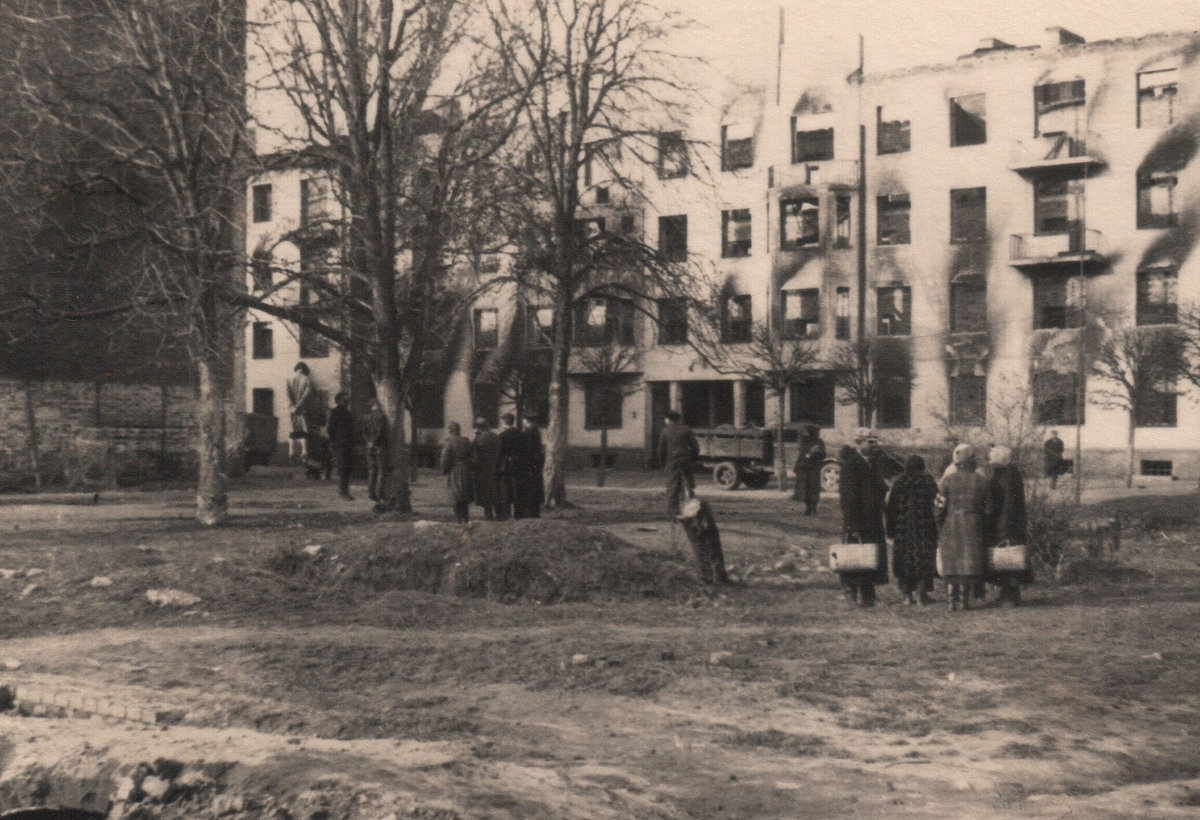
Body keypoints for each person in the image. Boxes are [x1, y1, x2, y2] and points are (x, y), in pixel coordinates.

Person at [838, 429, 889, 607]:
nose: (874, 445)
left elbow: (879, 487)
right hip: (858, 519)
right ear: (859, 443)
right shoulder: (851, 464)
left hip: (873, 518)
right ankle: (852, 593)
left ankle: (869, 595)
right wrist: (852, 524)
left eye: (875, 441)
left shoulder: (873, 463)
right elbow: (847, 497)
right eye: (869, 441)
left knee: (871, 556)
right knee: (855, 556)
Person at [937, 443, 988, 611]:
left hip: (951, 524)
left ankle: (952, 600)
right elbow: (989, 507)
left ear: (957, 463)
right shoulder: (982, 481)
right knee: (968, 563)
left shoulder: (947, 481)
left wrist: (939, 523)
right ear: (973, 462)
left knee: (952, 562)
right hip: (973, 524)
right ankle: (965, 600)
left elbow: (938, 506)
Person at [886, 455, 939, 605]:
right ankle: (922, 594)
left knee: (904, 561)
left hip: (903, 528)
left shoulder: (899, 483)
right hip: (925, 527)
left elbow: (891, 509)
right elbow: (937, 504)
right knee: (924, 560)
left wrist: (890, 530)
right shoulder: (929, 482)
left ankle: (907, 596)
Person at [984, 445, 1032, 606]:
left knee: (1007, 557)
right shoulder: (1010, 473)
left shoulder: (1007, 475)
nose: (989, 460)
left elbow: (1007, 503)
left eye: (992, 457)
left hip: (1005, 523)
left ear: (1000, 458)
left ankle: (1009, 597)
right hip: (1010, 522)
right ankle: (1010, 594)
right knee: (1009, 557)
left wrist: (1002, 524)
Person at [659, 411, 700, 518]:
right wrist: (693, 459)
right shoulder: (686, 429)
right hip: (686, 460)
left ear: (668, 419)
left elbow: (661, 450)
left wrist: (662, 464)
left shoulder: (665, 431)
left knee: (672, 487)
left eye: (666, 419)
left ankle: (673, 514)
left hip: (672, 461)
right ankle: (692, 511)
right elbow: (695, 447)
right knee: (689, 484)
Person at [440, 422, 474, 523]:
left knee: (455, 494)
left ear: (450, 431)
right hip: (465, 469)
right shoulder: (466, 441)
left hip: (454, 470)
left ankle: (458, 519)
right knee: (465, 493)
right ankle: (465, 518)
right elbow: (473, 456)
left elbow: (444, 458)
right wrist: (469, 466)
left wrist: (444, 470)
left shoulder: (448, 442)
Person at [326, 392, 355, 500]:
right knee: (343, 468)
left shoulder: (347, 412)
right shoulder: (336, 412)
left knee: (347, 468)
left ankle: (345, 491)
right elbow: (330, 429)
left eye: (347, 400)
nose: (347, 402)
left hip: (348, 444)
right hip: (340, 444)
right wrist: (335, 442)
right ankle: (343, 493)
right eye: (345, 400)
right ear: (338, 400)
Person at [471, 417, 502, 521]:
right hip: (495, 466)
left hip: (483, 468)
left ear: (479, 427)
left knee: (485, 492)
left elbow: (475, 453)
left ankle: (488, 514)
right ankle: (499, 513)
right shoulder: (496, 436)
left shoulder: (479, 439)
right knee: (495, 490)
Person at [792, 424, 826, 515]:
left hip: (814, 468)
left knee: (814, 488)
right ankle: (808, 509)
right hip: (804, 468)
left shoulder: (819, 442)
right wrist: (806, 456)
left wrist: (816, 453)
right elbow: (802, 453)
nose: (806, 433)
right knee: (805, 489)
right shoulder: (804, 441)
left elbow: (823, 455)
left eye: (808, 431)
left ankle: (814, 509)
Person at [517, 413, 545, 518]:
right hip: (535, 463)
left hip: (529, 463)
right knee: (535, 487)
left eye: (524, 419)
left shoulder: (528, 431)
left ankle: (530, 512)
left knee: (529, 487)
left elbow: (528, 449)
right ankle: (534, 511)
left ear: (526, 420)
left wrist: (524, 461)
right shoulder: (536, 430)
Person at [286, 362, 317, 459]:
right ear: (304, 369)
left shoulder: (289, 379)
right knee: (304, 430)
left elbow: (287, 394)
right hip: (302, 409)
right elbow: (306, 395)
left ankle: (291, 451)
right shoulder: (307, 379)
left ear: (296, 369)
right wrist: (298, 406)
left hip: (292, 409)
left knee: (292, 429)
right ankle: (304, 451)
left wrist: (292, 406)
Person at [363, 399, 389, 503]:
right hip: (379, 446)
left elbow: (364, 432)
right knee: (381, 470)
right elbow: (381, 431)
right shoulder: (382, 417)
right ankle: (379, 493)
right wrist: (373, 441)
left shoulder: (366, 417)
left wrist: (368, 442)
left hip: (369, 446)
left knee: (372, 470)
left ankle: (370, 492)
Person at [496, 413, 521, 520]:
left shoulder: (502, 436)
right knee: (517, 489)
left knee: (505, 490)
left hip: (506, 466)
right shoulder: (520, 434)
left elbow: (499, 453)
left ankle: (506, 514)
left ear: (505, 422)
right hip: (518, 464)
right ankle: (518, 514)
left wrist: (497, 465)